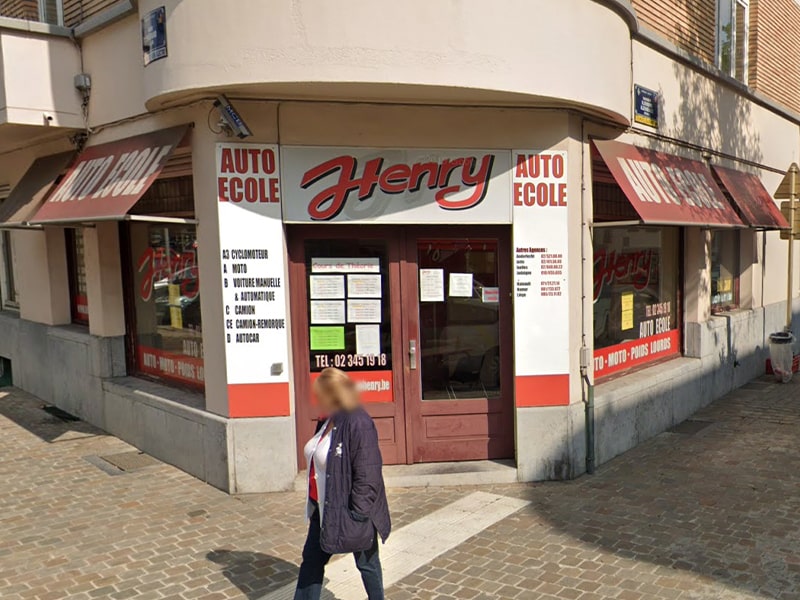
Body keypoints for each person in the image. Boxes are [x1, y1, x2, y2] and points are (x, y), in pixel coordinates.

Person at [294, 367, 391, 600]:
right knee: (312, 562)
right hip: (324, 508)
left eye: (320, 394)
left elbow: (369, 474)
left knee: (367, 563)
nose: (316, 400)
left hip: (352, 509)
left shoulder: (359, 422)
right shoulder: (328, 419)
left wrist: (358, 513)